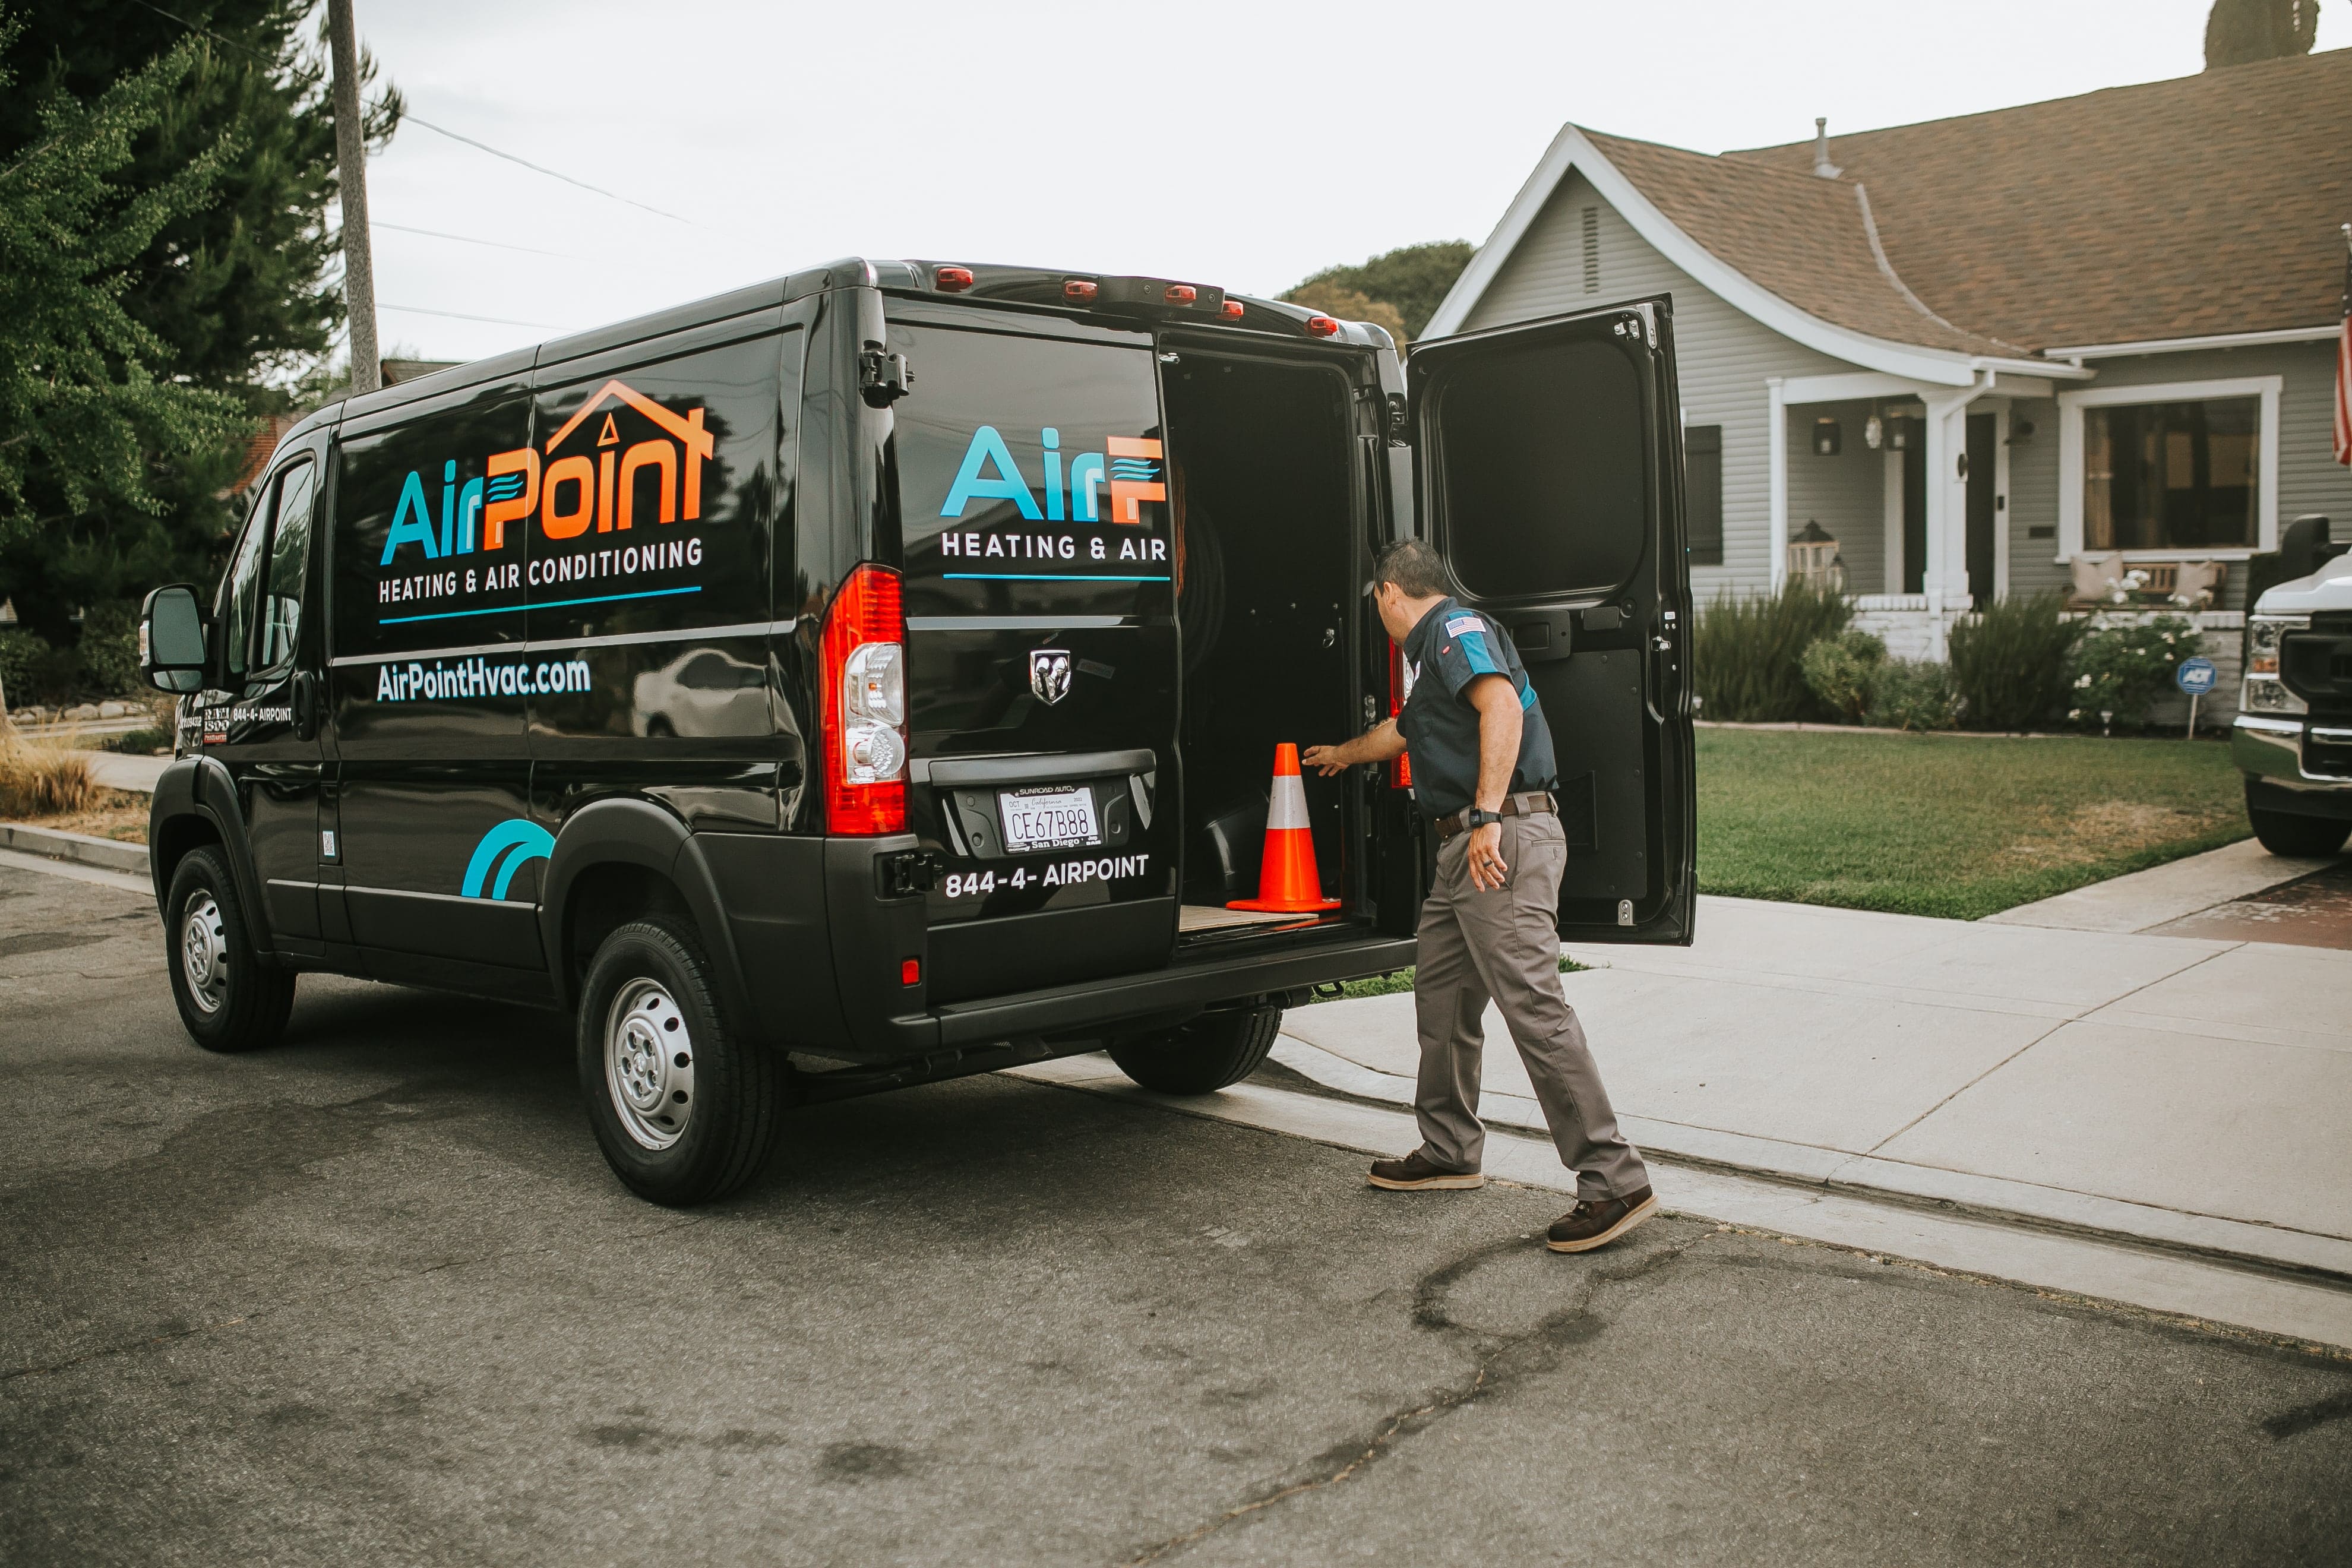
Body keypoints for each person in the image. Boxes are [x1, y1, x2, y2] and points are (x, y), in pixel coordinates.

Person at [1303, 538, 1654, 1254]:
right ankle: (1449, 1148)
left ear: (1388, 596)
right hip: (1462, 853)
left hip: (1499, 840)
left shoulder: (1455, 633)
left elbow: (1502, 709)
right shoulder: (1433, 657)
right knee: (1442, 998)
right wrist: (1342, 754)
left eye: (1377, 605)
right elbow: (1402, 734)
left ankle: (1613, 1181)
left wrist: (1489, 816)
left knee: (1534, 1007)